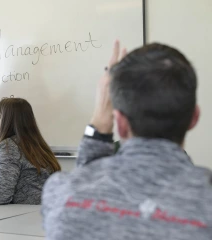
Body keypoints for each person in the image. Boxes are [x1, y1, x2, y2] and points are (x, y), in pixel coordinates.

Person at [41, 41, 212, 239]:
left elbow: (88, 185)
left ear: (119, 123)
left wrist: (99, 122)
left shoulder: (61, 194)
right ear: (194, 118)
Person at [0, 98, 61, 205]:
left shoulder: (9, 147)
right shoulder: (38, 146)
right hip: (46, 213)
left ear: (4, 120)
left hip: (23, 216)